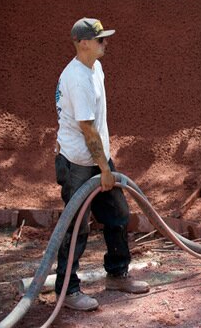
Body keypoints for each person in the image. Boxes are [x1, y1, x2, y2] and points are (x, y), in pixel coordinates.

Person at [54, 17, 149, 311]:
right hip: (78, 162)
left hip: (96, 158)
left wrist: (105, 161)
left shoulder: (95, 68)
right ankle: (67, 291)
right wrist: (105, 169)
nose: (105, 43)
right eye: (100, 39)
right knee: (77, 225)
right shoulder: (77, 78)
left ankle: (117, 274)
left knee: (118, 214)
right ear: (84, 43)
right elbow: (87, 129)